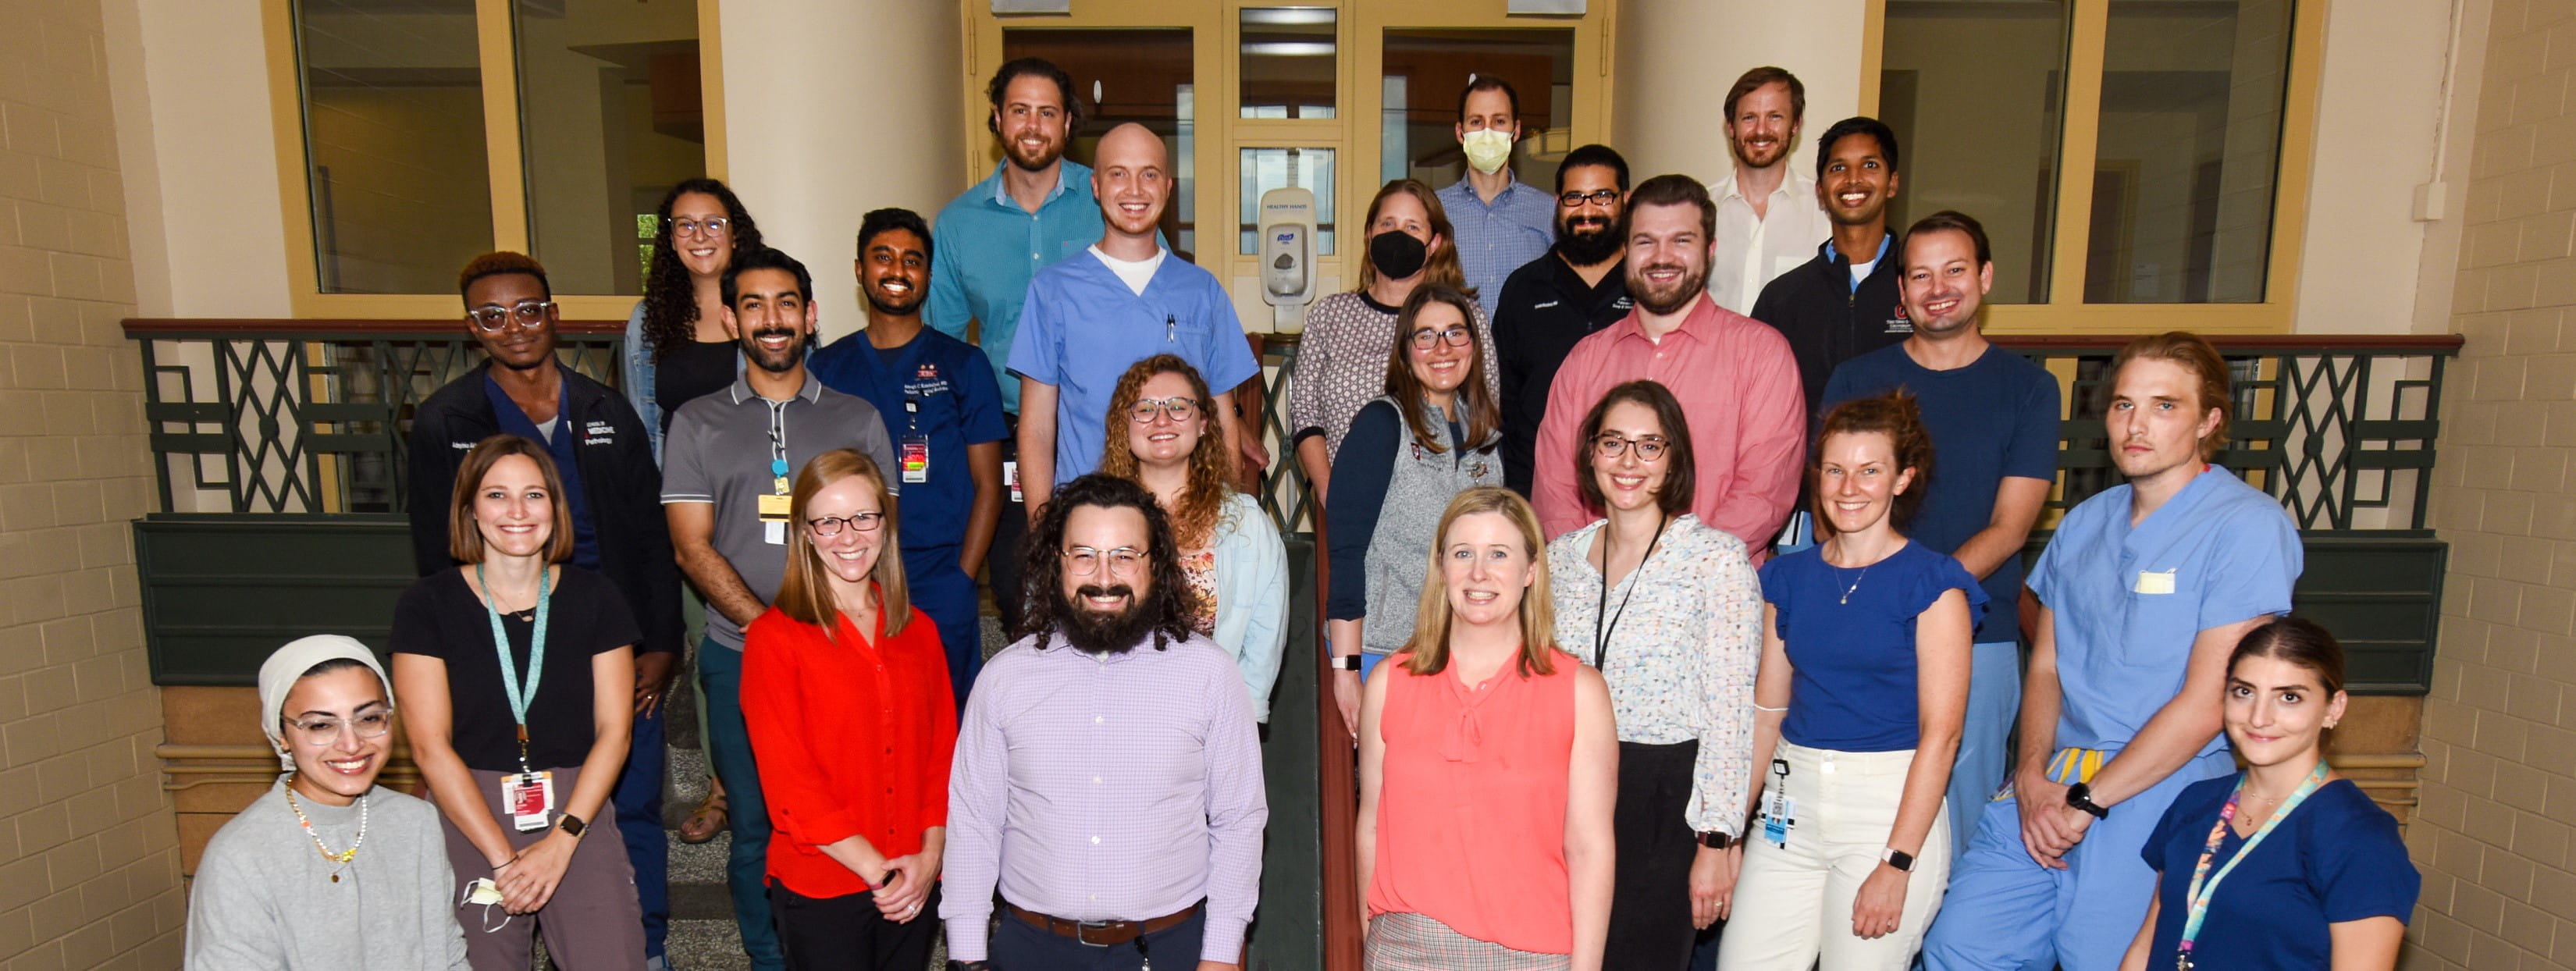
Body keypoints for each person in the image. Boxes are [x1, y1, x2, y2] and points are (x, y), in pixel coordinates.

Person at [1921, 333, 2304, 971]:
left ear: (2209, 420)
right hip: (2053, 776)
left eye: (2164, 406)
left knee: (2102, 954)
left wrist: (2091, 799)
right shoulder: (2084, 522)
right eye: (2124, 405)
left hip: (2161, 781)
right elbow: (2046, 664)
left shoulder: (2247, 526)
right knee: (1962, 946)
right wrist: (2034, 775)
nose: (2137, 425)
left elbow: (2211, 698)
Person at [405, 251, 681, 966]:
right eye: (492, 316)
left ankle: (644, 946)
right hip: (499, 635)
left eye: (528, 309)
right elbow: (436, 547)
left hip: (602, 632)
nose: (514, 327)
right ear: (473, 328)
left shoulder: (604, 409)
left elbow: (651, 534)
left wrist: (659, 639)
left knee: (633, 809)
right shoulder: (446, 419)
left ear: (552, 314)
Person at [663, 245, 898, 971]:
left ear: (812, 315)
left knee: (848, 817)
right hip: (741, 657)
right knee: (757, 827)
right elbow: (691, 547)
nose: (773, 320)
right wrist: (771, 633)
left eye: (787, 303)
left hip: (849, 659)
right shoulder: (696, 423)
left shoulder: (857, 418)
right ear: (731, 318)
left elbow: (881, 538)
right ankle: (771, 962)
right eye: (756, 305)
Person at [940, 474, 1267, 970]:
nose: (1104, 576)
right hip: (1030, 951)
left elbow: (1238, 819)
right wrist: (966, 956)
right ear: (1057, 563)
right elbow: (973, 822)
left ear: (1154, 566)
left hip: (1169, 950)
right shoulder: (1004, 679)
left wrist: (1221, 955)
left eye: (1124, 555)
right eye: (1085, 555)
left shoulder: (1211, 676)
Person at [1820, 211, 2059, 863]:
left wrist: (1914, 595)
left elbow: (2011, 527)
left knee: (1958, 819)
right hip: (1866, 630)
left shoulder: (2031, 389)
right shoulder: (1856, 380)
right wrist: (1869, 602)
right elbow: (1830, 500)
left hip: (1978, 633)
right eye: (1920, 274)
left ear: (1984, 277)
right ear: (1901, 292)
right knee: (1860, 813)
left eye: (1955, 269)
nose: (1938, 287)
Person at [1716, 393, 1980, 969]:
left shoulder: (1935, 584)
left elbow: (1944, 737)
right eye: (1835, 470)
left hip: (1886, 810)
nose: (1849, 487)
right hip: (1791, 807)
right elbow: (1767, 713)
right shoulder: (1785, 578)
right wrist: (1728, 833)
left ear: (1902, 479)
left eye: (1870, 470)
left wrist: (1898, 862)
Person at [390, 436, 645, 969]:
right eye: (497, 495)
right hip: (468, 806)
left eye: (534, 495)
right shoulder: (426, 606)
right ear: (470, 510)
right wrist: (504, 860)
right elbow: (429, 747)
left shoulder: (597, 599)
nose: (517, 512)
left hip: (578, 804)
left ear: (555, 506)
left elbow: (615, 732)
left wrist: (563, 839)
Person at [1542, 379, 1759, 968]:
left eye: (1649, 445)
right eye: (1613, 442)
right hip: (1562, 795)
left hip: (1664, 799)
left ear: (1675, 458)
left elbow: (1731, 711)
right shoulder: (1557, 559)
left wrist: (1717, 839)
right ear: (1590, 453)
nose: (1629, 461)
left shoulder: (1716, 560)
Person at [1356, 486, 1617, 969]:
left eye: (1499, 554)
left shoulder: (1580, 692)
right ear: (1441, 568)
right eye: (1463, 554)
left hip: (1532, 955)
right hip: (1403, 950)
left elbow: (1589, 848)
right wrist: (1374, 941)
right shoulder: (1390, 683)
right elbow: (1370, 824)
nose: (1479, 573)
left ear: (1531, 571)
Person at [740, 450, 957, 970]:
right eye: (829, 522)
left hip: (914, 875)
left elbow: (944, 757)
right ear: (806, 534)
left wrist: (929, 860)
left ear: (885, 523)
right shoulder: (775, 639)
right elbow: (790, 783)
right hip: (825, 883)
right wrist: (879, 872)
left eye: (864, 517)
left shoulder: (919, 632)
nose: (849, 536)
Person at [2119, 618, 2415, 971]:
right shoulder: (2196, 803)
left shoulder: (2359, 837)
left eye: (2289, 698)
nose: (2259, 718)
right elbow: (2147, 946)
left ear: (2333, 708)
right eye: (2244, 692)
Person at [1532, 174, 1805, 553]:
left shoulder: (1762, 355)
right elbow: (1555, 488)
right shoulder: (1585, 361)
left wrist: (1672, 571)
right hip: (1598, 594)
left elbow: (1763, 494)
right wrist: (1595, 569)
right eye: (1646, 241)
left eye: (1681, 240)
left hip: (1715, 595)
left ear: (1710, 249)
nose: (1662, 257)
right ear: (1626, 250)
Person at [930, 56, 1106, 639]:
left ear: (1068, 123)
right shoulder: (958, 224)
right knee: (1017, 581)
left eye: (1048, 112)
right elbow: (948, 342)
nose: (1034, 125)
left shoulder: (1107, 200)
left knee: (1106, 574)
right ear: (998, 120)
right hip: (1005, 424)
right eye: (1020, 110)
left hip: (1099, 419)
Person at [1009, 122, 1265, 515]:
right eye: (1118, 174)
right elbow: (1037, 430)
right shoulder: (1053, 291)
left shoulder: (1202, 291)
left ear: (1168, 186)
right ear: (1096, 187)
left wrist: (1226, 521)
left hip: (1186, 522)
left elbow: (1223, 421)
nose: (1134, 190)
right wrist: (1045, 532)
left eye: (1149, 174)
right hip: (1092, 524)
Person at [811, 208, 1009, 707]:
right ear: (860, 270)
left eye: (912, 260)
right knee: (864, 711)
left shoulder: (964, 364)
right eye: (883, 257)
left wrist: (963, 576)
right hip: (852, 572)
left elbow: (989, 484)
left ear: (928, 274)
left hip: (941, 573)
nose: (897, 270)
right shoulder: (827, 367)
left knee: (946, 714)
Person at [186, 635, 468, 970]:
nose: (351, 744)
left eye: (369, 718)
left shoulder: (416, 822)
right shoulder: (241, 855)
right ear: (281, 736)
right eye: (321, 725)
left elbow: (448, 954)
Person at [1324, 285, 1506, 736]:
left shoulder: (1487, 435)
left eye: (1455, 334)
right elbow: (1346, 552)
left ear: (1473, 346)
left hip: (1466, 653)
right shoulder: (1381, 425)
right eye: (1425, 336)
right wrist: (1346, 670)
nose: (1442, 348)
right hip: (1385, 652)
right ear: (1406, 352)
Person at [1099, 354, 1290, 720]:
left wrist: (1236, 724)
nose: (1162, 420)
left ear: (1204, 423)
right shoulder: (1095, 521)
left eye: (1178, 407)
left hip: (1212, 718)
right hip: (1114, 714)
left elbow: (1264, 644)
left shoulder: (1246, 524)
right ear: (1124, 426)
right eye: (1144, 408)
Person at [1287, 178, 1500, 503]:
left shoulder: (1463, 316)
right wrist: (1333, 493)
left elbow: (1486, 404)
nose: (1399, 235)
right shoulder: (1328, 315)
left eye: (1413, 227)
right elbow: (1305, 413)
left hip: (1442, 502)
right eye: (1388, 224)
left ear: (1435, 243)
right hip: (1350, 494)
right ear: (1369, 234)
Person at [1493, 144, 1634, 499]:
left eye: (1602, 196)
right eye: (1574, 198)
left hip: (1630, 489)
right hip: (1535, 490)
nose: (1587, 210)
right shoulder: (1523, 288)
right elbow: (1499, 399)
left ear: (1625, 200)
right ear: (1558, 204)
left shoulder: (1646, 287)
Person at [1752, 117, 1912, 423]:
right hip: (1811, 470)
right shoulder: (1782, 299)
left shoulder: (1922, 286)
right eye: (1838, 168)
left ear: (1893, 183)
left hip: (1906, 469)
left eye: (1870, 166)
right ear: (1821, 191)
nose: (1854, 180)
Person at [626, 178, 763, 455]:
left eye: (713, 224)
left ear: (735, 235)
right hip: (676, 484)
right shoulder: (646, 319)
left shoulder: (773, 313)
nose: (699, 237)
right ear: (672, 240)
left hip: (757, 481)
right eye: (685, 225)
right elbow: (642, 426)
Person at [1707, 66, 1827, 315]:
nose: (1761, 131)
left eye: (1775, 117)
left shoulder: (1823, 212)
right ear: (1730, 127)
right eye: (1749, 117)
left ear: (1796, 124)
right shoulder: (1701, 209)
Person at [1436, 75, 1557, 317]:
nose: (1488, 132)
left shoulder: (1549, 210)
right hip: (1457, 352)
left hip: (1526, 352)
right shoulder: (1433, 210)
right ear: (1460, 133)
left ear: (1516, 131)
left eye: (1499, 121)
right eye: (1477, 121)